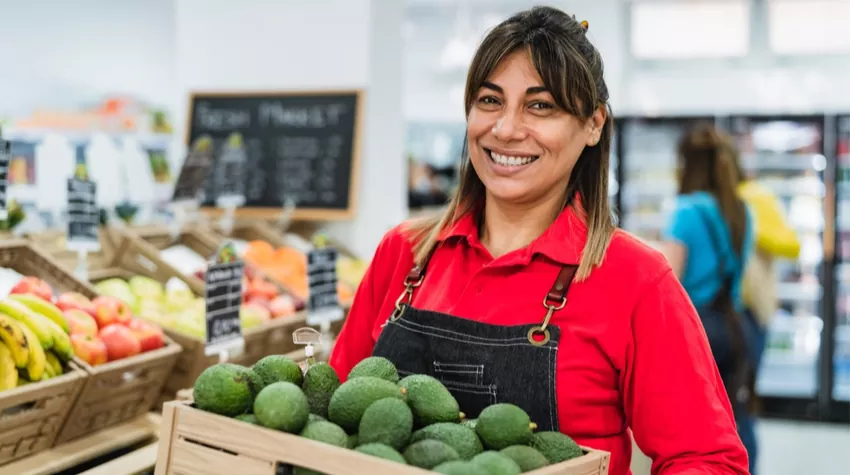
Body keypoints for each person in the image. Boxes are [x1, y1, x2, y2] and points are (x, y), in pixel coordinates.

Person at [331, 7, 748, 475]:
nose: (506, 129)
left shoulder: (635, 279)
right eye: (490, 101)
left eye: (540, 105)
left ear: (593, 124)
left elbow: (708, 460)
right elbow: (336, 412)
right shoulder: (406, 252)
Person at [660, 124, 756, 473]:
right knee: (735, 421)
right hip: (735, 325)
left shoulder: (685, 211)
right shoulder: (742, 210)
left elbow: (668, 279)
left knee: (695, 428)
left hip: (697, 328)